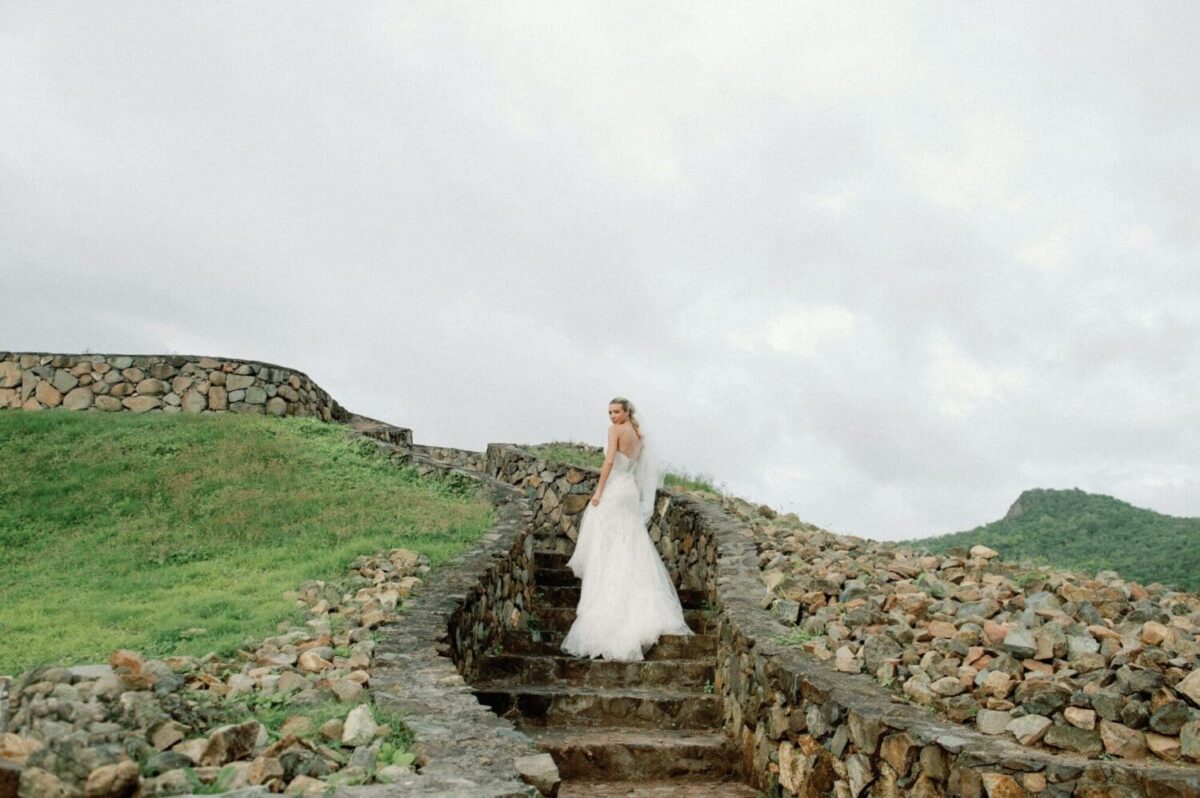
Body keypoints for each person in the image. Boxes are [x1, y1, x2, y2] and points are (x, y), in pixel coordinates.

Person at [561, 397, 694, 661]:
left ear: (626, 412)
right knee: (628, 541)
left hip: (615, 488)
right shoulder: (638, 433)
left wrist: (599, 491)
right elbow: (640, 469)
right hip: (629, 490)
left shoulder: (615, 431)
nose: (612, 416)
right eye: (609, 412)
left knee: (605, 542)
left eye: (616, 411)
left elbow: (609, 462)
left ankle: (606, 603)